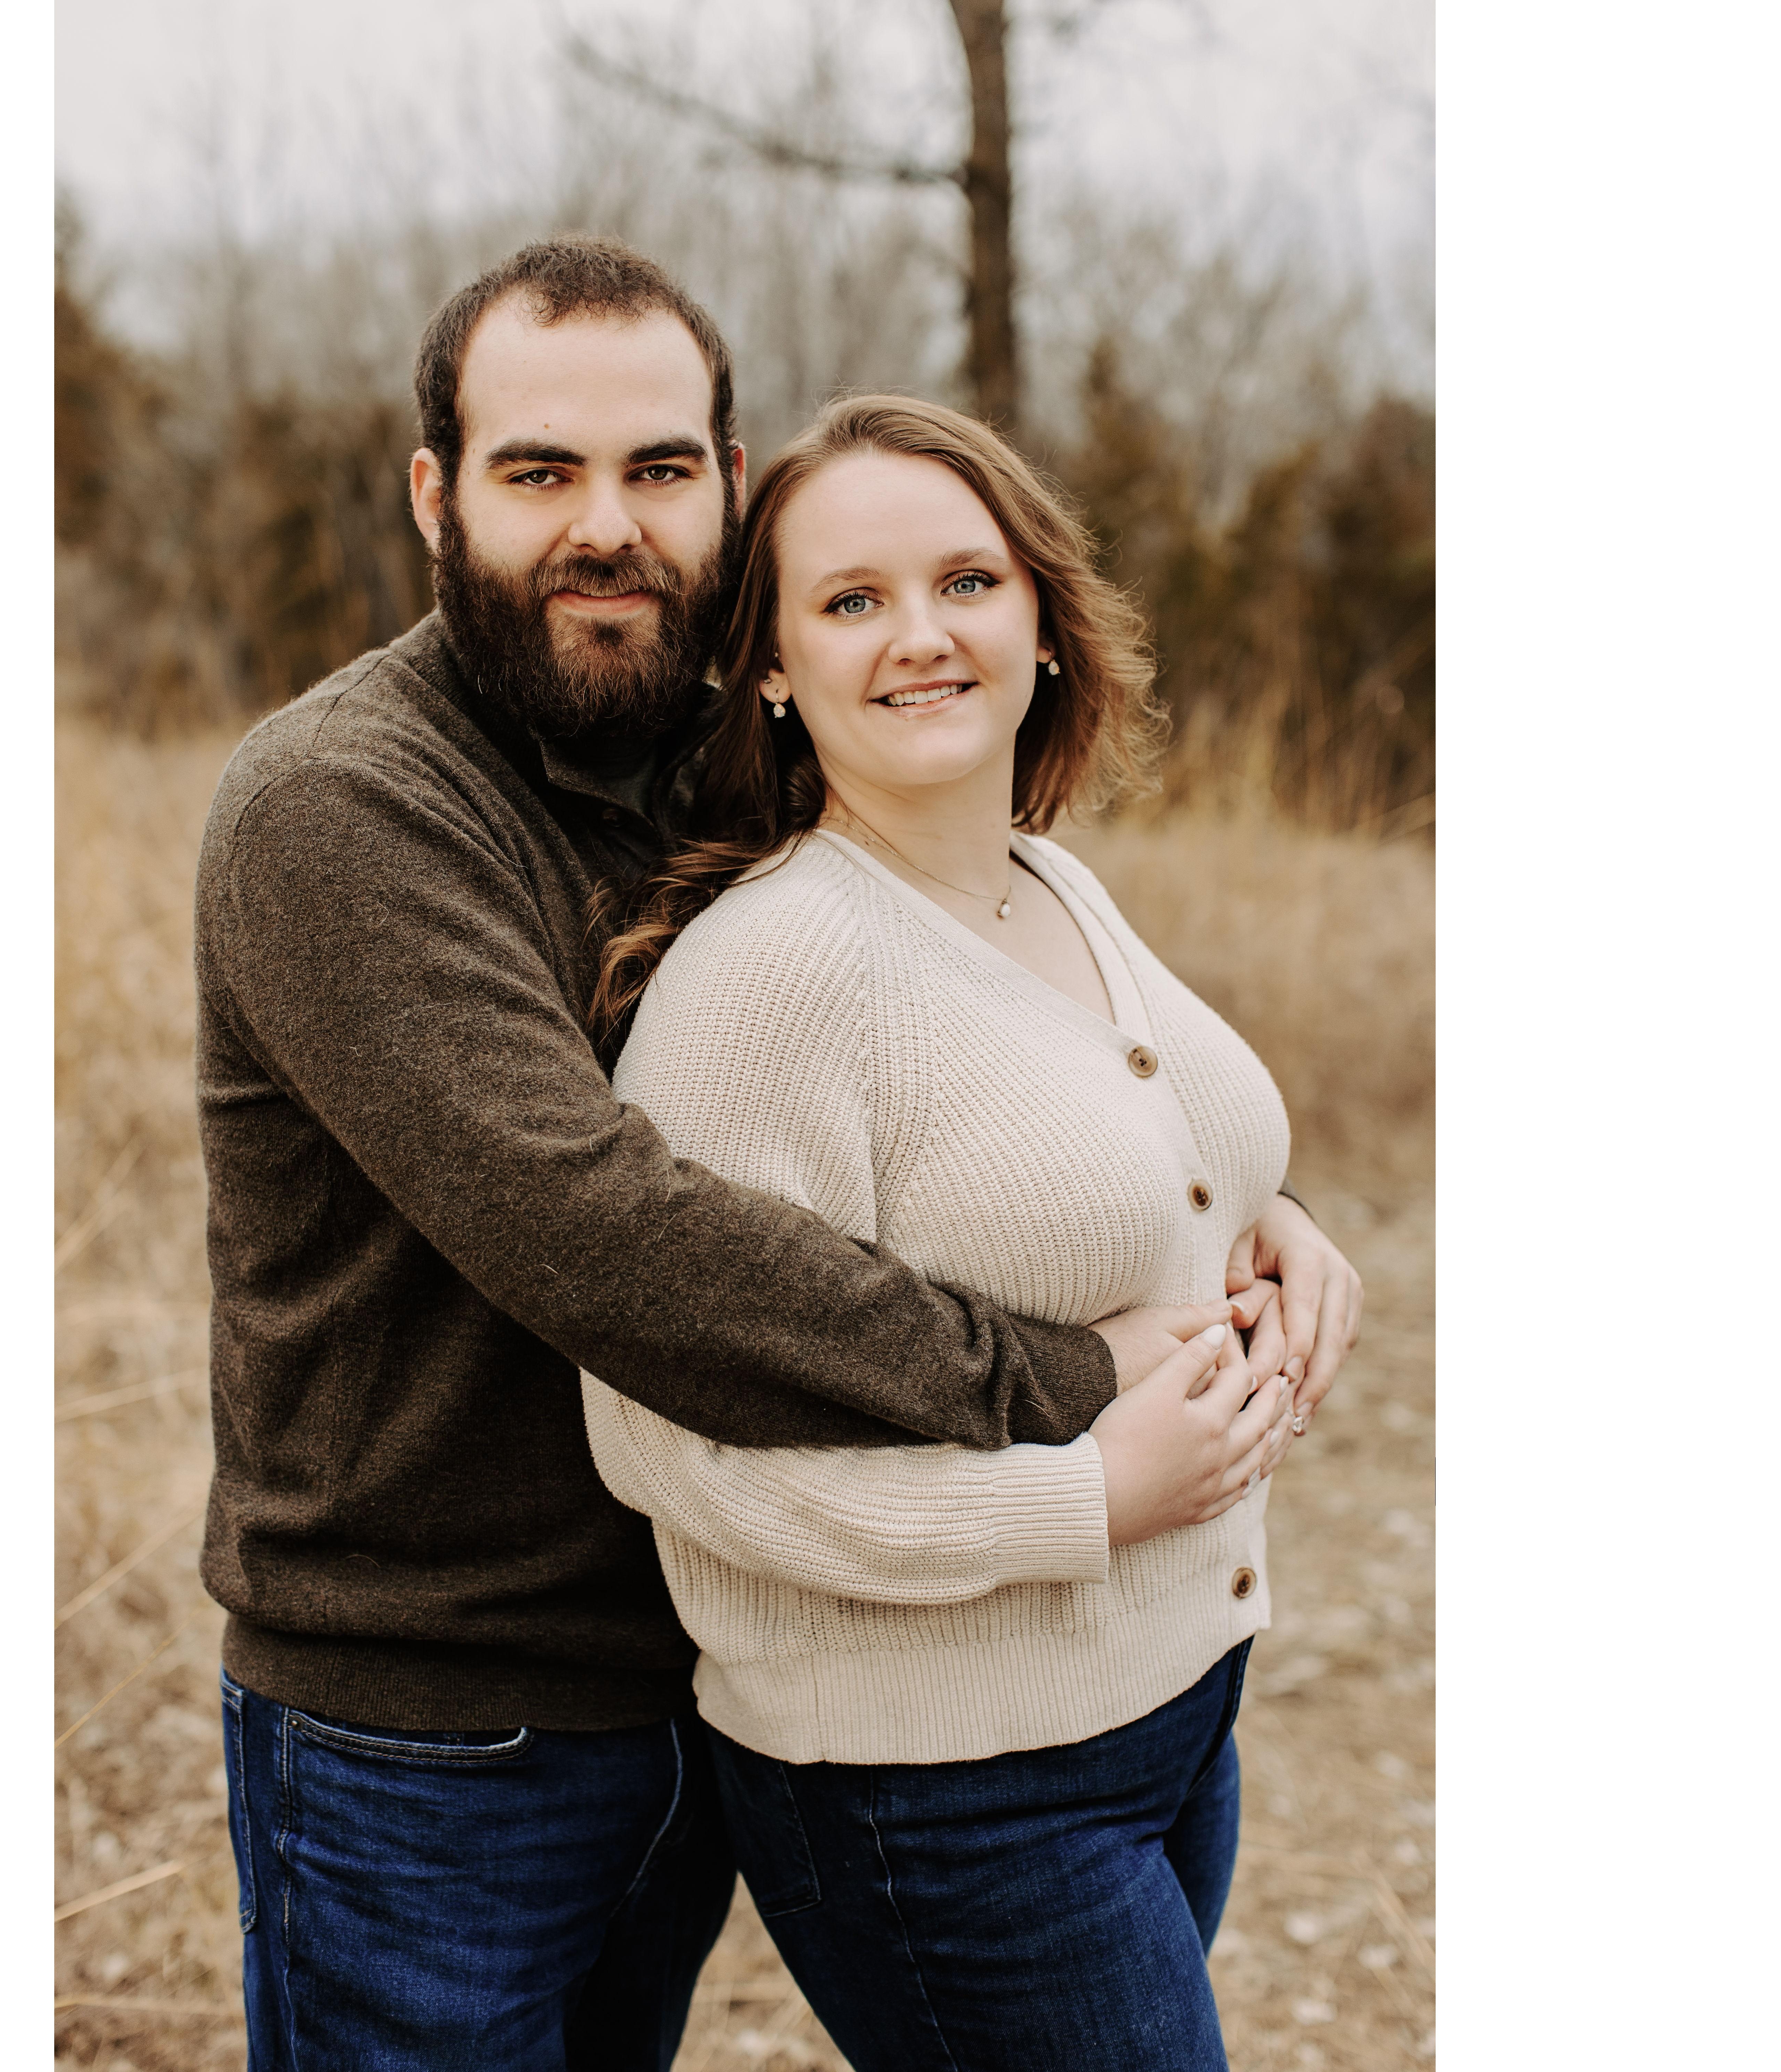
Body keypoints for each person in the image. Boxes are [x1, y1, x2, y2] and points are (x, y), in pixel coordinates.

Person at [194, 235, 1361, 2069]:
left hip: (703, 1668)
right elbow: (610, 1237)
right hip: (444, 1718)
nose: (606, 527)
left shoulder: (733, 741)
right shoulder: (341, 808)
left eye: (659, 469)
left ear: (727, 488)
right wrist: (1074, 1388)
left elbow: (985, 1062)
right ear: (435, 495)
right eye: (538, 472)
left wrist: (1241, 1212)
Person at [582, 393, 1362, 2070]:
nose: (921, 635)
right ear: (771, 665)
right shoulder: (767, 979)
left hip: (1171, 1705)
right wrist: (1079, 1502)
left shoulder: (1049, 881)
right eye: (852, 600)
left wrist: (1278, 1224)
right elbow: (666, 1445)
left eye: (965, 582)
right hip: (946, 1786)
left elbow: (1134, 1157)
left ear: (1043, 619)